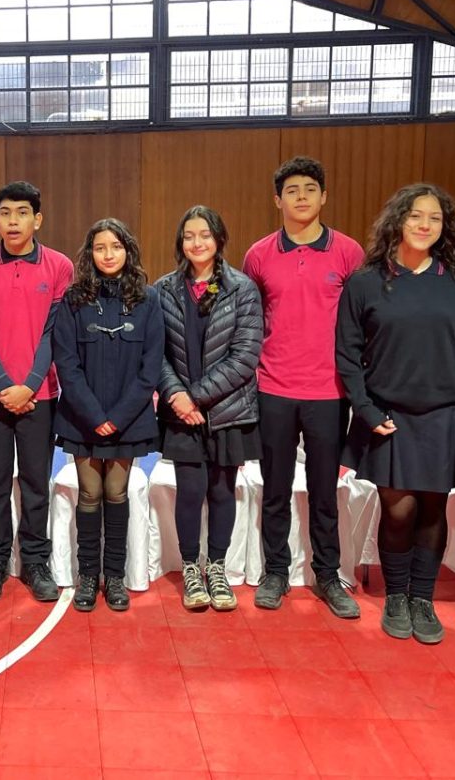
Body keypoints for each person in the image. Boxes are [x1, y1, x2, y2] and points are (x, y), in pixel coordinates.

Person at [336, 185, 455, 645]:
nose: (425, 225)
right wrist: (367, 410)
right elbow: (347, 355)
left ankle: (422, 599)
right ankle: (396, 596)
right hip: (387, 414)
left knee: (434, 508)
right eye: (416, 215)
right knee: (399, 510)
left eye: (434, 217)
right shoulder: (366, 281)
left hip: (445, 414)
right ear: (398, 220)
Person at [243, 156, 364, 619]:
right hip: (273, 388)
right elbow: (249, 321)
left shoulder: (348, 253)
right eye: (291, 190)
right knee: (274, 487)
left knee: (323, 492)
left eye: (310, 188)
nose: (301, 197)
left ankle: (328, 575)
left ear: (324, 196)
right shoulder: (258, 255)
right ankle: (275, 572)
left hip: (329, 392)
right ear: (277, 200)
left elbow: (359, 323)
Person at [53, 218, 164, 612]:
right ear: (90, 254)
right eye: (100, 247)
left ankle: (114, 576)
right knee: (89, 492)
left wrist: (116, 418)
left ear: (127, 251)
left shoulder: (149, 301)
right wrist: (94, 414)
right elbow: (66, 363)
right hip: (82, 417)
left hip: (128, 419)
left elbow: (151, 368)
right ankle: (88, 576)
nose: (108, 254)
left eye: (115, 247)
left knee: (116, 492)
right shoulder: (73, 300)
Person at [0, 181, 73, 602]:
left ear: (38, 219)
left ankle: (34, 561)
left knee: (35, 484)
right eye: (6, 213)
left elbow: (54, 332)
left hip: (40, 397)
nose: (14, 221)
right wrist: (2, 385)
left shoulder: (60, 266)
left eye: (22, 213)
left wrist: (29, 384)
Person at [156, 206, 262, 612]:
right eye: (188, 236)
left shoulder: (243, 289)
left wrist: (195, 397)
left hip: (228, 410)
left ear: (219, 239)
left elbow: (245, 356)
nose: (196, 243)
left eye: (204, 235)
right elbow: (157, 354)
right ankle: (189, 568)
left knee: (221, 491)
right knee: (190, 491)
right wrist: (177, 397)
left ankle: (216, 568)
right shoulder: (163, 290)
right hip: (180, 412)